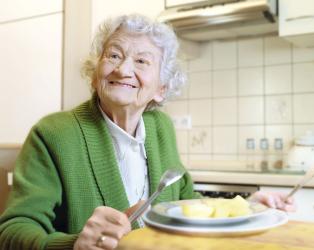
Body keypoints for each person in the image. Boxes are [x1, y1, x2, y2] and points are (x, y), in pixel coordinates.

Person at [0, 14, 295, 250]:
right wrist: (73, 244)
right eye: (114, 55)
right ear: (94, 74)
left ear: (161, 88)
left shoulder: (160, 127)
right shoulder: (53, 133)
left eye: (141, 61)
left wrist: (246, 207)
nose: (123, 69)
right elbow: (13, 231)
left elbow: (186, 201)